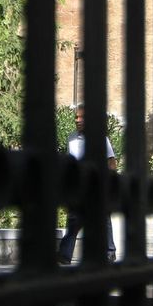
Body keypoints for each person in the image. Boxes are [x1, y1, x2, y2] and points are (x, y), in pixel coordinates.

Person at [59, 105, 117, 264]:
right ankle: (64, 255)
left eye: (81, 117)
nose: (77, 120)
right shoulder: (71, 138)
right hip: (78, 186)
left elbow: (111, 163)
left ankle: (109, 252)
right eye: (76, 117)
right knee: (74, 219)